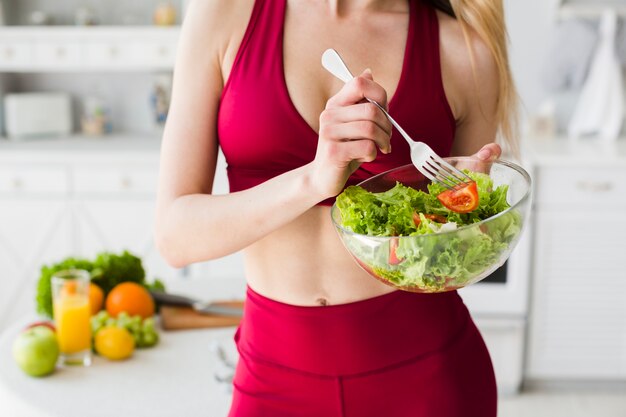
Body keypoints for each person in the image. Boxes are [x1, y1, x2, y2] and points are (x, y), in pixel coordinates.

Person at [155, 0, 518, 416]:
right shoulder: (224, 15)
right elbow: (174, 236)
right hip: (272, 377)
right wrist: (312, 179)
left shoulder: (466, 52)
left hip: (425, 378)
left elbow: (455, 265)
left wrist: (466, 214)